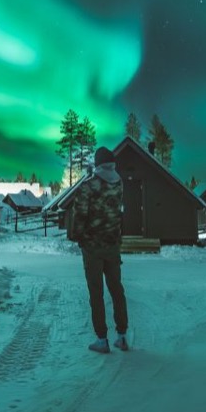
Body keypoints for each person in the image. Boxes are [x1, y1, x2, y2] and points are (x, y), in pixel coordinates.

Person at [70, 146, 129, 354]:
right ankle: (122, 336)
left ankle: (102, 339)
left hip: (93, 246)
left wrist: (76, 236)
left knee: (96, 291)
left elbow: (80, 215)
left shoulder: (89, 186)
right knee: (116, 289)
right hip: (113, 245)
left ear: (97, 163)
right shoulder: (119, 183)